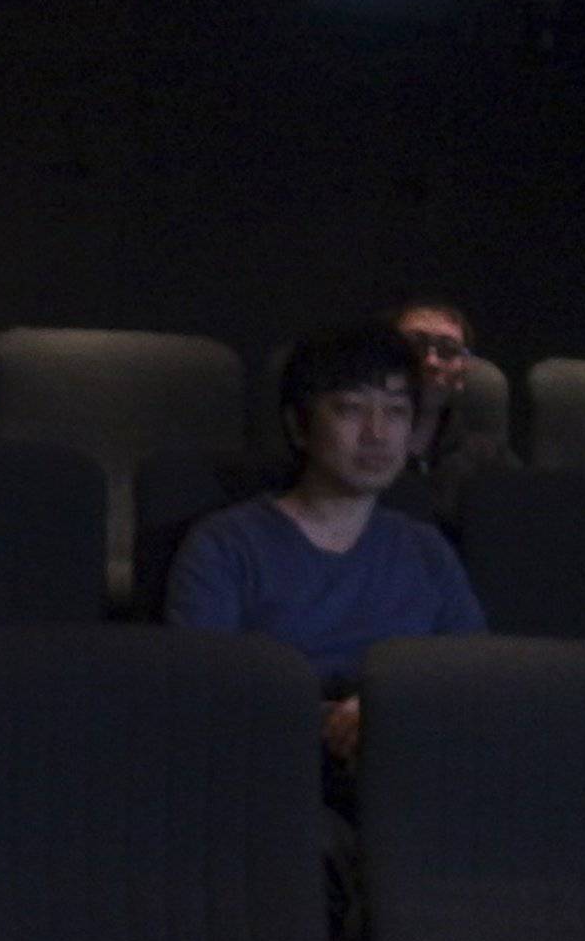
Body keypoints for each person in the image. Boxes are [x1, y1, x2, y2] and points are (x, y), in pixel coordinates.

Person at [166, 320, 487, 780]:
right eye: (351, 409)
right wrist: (341, 724)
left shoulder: (426, 550)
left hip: (412, 772)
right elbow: (203, 692)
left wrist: (384, 713)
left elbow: (473, 677)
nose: (377, 433)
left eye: (396, 412)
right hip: (268, 772)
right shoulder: (226, 546)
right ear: (299, 426)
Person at [379, 296, 518, 538]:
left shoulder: (489, 461)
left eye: (448, 350)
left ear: (462, 375)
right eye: (416, 345)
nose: (431, 361)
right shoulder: (357, 445)